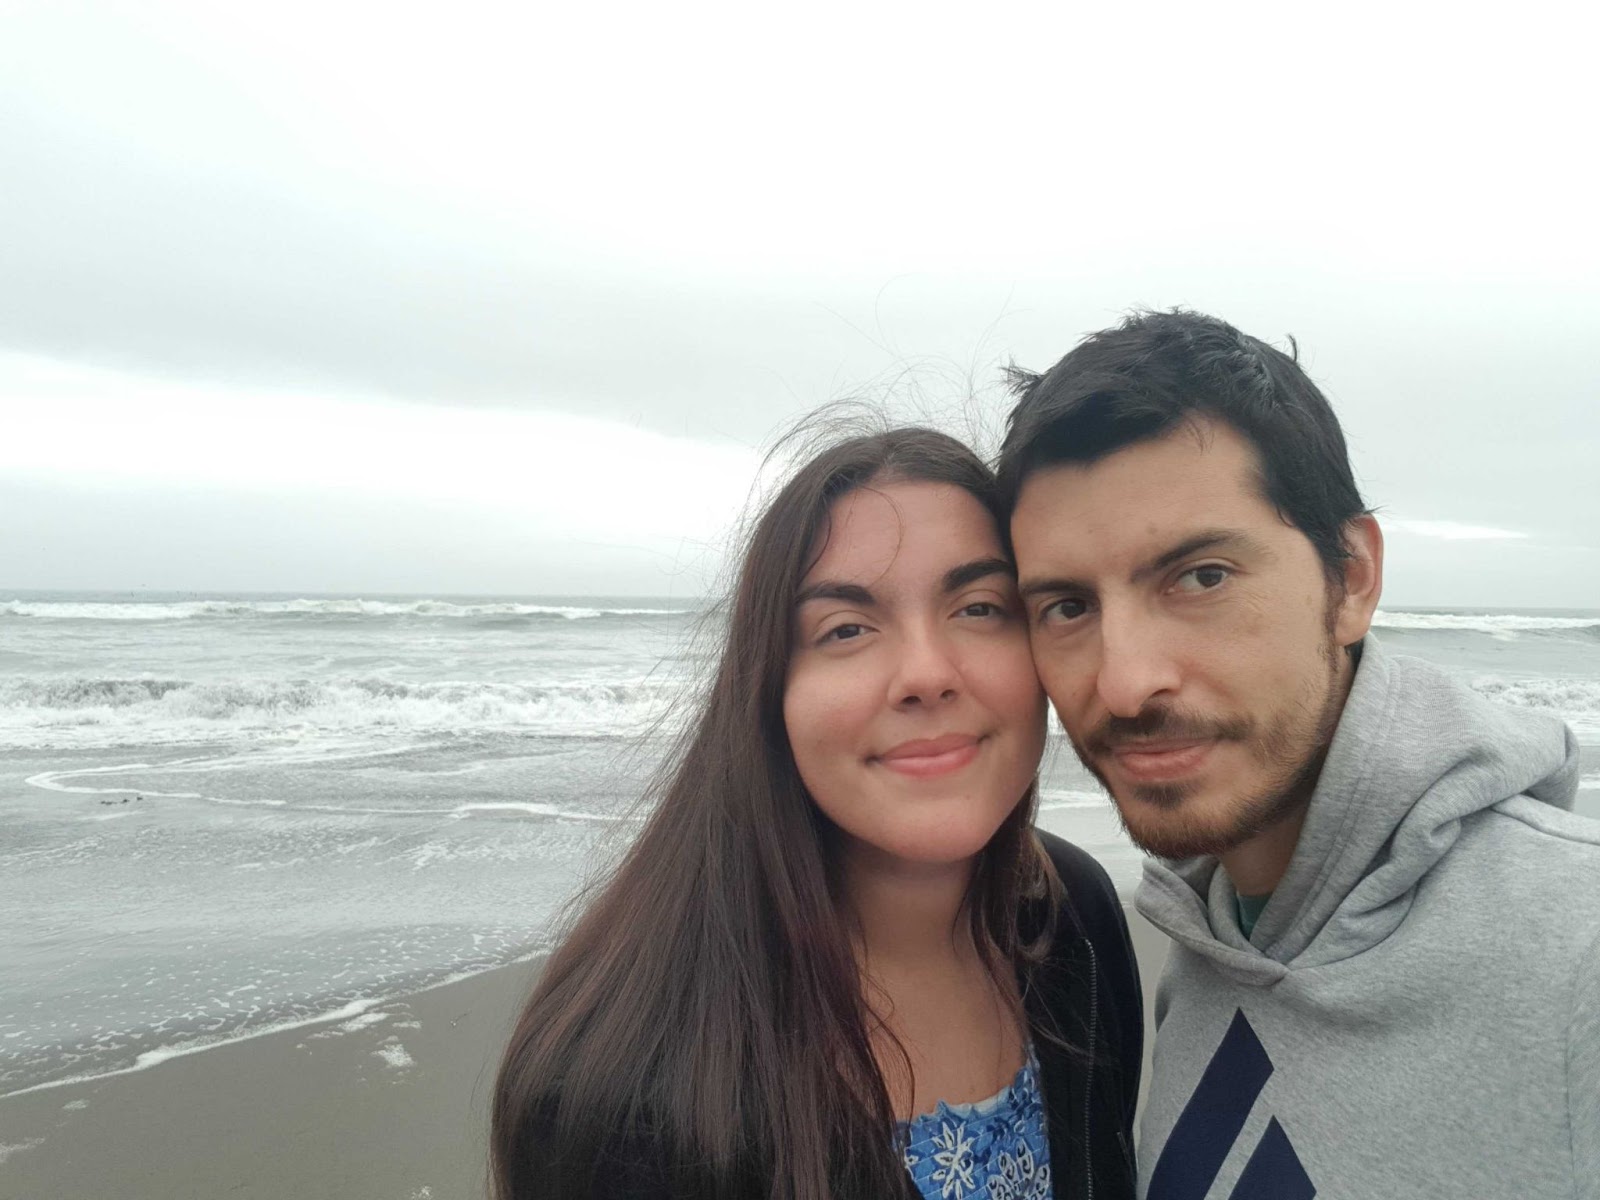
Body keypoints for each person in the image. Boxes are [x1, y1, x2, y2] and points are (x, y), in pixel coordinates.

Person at [997, 308, 1600, 1199]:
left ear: (1352, 577)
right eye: (1067, 607)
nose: (1124, 685)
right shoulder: (1202, 933)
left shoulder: (1576, 955)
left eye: (1201, 577)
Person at [490, 427, 1142, 1200]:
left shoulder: (1073, 921)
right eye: (846, 629)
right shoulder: (630, 1095)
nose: (927, 674)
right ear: (769, 694)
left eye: (978, 607)